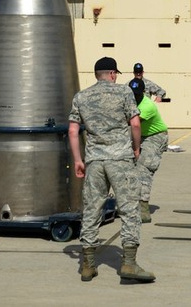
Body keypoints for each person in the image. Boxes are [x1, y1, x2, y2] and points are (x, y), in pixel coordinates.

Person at [68, 57, 155, 283]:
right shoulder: (124, 93)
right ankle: (129, 263)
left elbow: (72, 131)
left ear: (97, 74)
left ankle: (87, 265)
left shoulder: (81, 96)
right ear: (113, 74)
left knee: (92, 209)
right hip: (121, 159)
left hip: (95, 161)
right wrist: (136, 148)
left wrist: (79, 160)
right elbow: (135, 124)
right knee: (129, 210)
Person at [128, 78, 168, 223]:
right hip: (140, 135)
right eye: (132, 94)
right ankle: (131, 202)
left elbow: (134, 125)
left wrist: (137, 149)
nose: (134, 97)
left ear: (143, 93)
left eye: (137, 94)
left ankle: (143, 208)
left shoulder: (147, 105)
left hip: (155, 136)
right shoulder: (128, 101)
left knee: (144, 168)